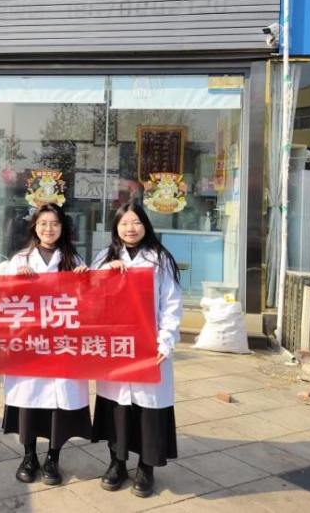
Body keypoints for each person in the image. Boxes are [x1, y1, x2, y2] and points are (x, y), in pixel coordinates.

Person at [90, 200, 183, 498]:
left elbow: (171, 302)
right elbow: (87, 293)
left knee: (148, 410)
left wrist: (166, 340)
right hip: (116, 347)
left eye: (136, 222)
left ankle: (146, 467)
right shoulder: (105, 256)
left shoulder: (160, 259)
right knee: (117, 407)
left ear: (146, 225)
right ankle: (116, 463)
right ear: (116, 227)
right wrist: (105, 272)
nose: (130, 229)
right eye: (124, 223)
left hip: (148, 345)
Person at [0, 203, 91, 486]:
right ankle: (29, 456)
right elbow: (2, 299)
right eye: (43, 223)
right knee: (28, 402)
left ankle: (53, 457)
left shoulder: (74, 259)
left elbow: (87, 304)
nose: (48, 229)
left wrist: (85, 281)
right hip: (29, 344)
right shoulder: (19, 260)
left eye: (54, 223)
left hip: (62, 344)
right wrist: (16, 281)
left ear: (62, 227)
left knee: (57, 406)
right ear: (34, 227)